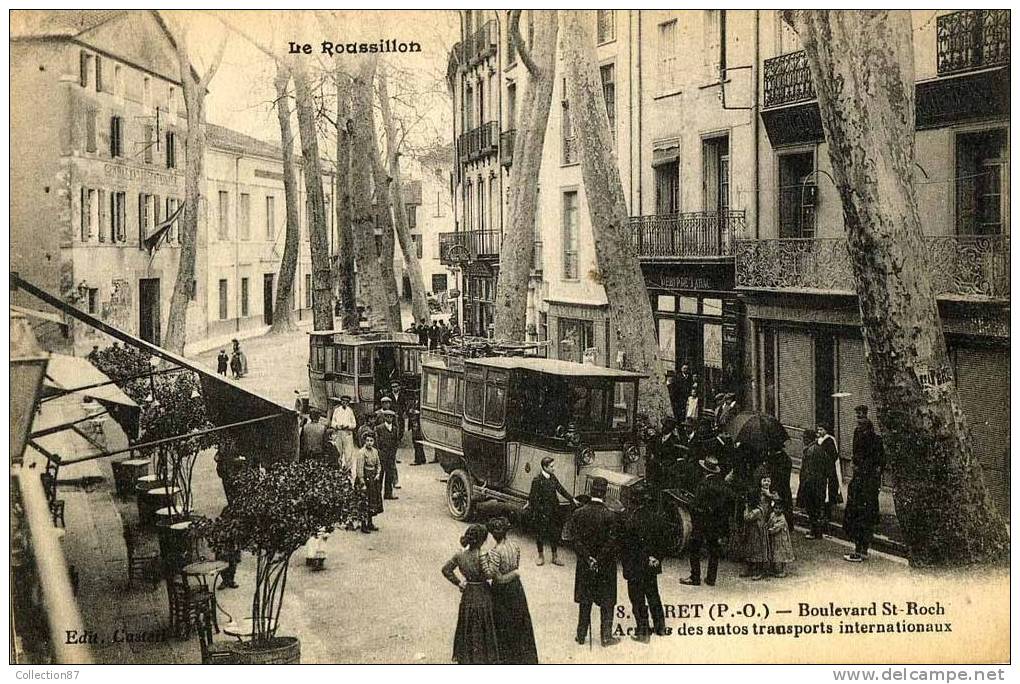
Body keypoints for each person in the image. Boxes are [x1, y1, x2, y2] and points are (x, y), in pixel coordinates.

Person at [568, 477, 620, 647]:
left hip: (585, 564)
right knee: (607, 601)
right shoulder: (610, 515)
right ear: (605, 493)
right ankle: (606, 637)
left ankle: (581, 635)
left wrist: (588, 558)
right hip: (604, 566)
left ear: (591, 491)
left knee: (585, 599)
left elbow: (574, 540)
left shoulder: (578, 513)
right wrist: (598, 559)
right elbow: (612, 542)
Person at [441, 524, 501, 664]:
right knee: (484, 625)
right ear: (481, 540)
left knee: (468, 625)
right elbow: (489, 575)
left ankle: (468, 658)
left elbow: (446, 570)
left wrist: (458, 582)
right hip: (483, 593)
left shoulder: (460, 555)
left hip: (468, 594)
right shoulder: (482, 555)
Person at [483, 517, 538, 664]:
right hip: (516, 588)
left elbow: (498, 578)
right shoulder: (515, 546)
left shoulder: (495, 552)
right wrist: (515, 574)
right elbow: (516, 567)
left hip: (502, 592)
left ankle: (506, 658)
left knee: (503, 623)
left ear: (493, 535)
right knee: (519, 621)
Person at [619, 485, 668, 642]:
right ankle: (660, 627)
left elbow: (626, 545)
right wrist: (656, 557)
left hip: (635, 565)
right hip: (651, 565)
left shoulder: (629, 518)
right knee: (653, 594)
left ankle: (643, 631)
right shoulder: (656, 516)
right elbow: (663, 540)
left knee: (637, 598)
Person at [680, 454, 731, 586]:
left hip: (702, 521)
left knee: (694, 548)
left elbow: (696, 504)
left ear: (704, 470)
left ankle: (695, 577)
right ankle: (711, 578)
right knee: (713, 550)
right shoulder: (721, 483)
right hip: (716, 523)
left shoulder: (704, 484)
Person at [843, 405, 885, 562]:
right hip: (867, 486)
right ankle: (862, 549)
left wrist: (859, 469)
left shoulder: (870, 441)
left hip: (864, 487)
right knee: (864, 518)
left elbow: (876, 463)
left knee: (859, 518)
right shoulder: (867, 438)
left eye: (862, 422)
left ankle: (859, 551)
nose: (859, 425)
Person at [528, 457, 574, 566]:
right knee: (540, 534)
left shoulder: (552, 477)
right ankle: (540, 556)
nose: (554, 468)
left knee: (554, 534)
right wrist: (538, 512)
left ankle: (554, 556)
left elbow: (560, 489)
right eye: (552, 466)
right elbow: (532, 498)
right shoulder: (537, 480)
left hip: (553, 511)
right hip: (542, 513)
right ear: (545, 467)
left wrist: (571, 499)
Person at [796, 428, 829, 539]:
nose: (803, 440)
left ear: (808, 439)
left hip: (811, 484)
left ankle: (814, 531)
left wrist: (804, 485)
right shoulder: (820, 449)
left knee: (812, 509)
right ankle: (817, 532)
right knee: (817, 508)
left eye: (805, 438)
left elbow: (807, 471)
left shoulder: (810, 451)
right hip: (820, 483)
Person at [742, 475, 774, 581]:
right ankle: (751, 567)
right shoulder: (758, 492)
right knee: (752, 548)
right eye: (764, 480)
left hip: (759, 527)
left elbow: (747, 517)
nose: (766, 483)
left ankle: (760, 570)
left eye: (768, 481)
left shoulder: (767, 496)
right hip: (754, 528)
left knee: (759, 549)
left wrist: (746, 507)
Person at [354, 431, 383, 532]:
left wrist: (378, 474)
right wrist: (362, 482)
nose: (369, 443)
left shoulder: (375, 451)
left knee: (372, 501)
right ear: (364, 441)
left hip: (373, 479)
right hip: (365, 479)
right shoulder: (361, 453)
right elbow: (359, 469)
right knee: (364, 501)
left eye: (371, 440)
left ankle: (370, 522)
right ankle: (363, 524)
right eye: (367, 441)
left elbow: (379, 464)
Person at [816, 424, 843, 519]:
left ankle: (827, 514)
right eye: (818, 429)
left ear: (826, 430)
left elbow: (833, 456)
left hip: (828, 470)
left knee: (827, 492)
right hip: (821, 470)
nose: (819, 432)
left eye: (821, 429)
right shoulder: (818, 441)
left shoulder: (829, 441)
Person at [375, 409, 401, 500]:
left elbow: (396, 442)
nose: (389, 418)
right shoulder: (379, 428)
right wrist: (379, 452)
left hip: (391, 455)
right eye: (387, 417)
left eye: (391, 417)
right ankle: (377, 494)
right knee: (380, 474)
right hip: (382, 454)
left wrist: (394, 453)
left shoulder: (394, 429)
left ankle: (388, 494)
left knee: (389, 475)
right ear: (384, 417)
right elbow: (377, 442)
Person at [329, 395, 358, 471]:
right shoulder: (337, 410)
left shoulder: (350, 411)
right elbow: (332, 422)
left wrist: (348, 426)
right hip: (339, 433)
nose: (344, 403)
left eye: (346, 402)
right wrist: (337, 426)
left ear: (348, 403)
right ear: (341, 402)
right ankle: (339, 468)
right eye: (343, 401)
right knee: (338, 451)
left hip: (347, 434)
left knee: (348, 452)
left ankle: (347, 469)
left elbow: (354, 424)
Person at [768, 498, 795, 577]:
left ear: (782, 509)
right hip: (775, 539)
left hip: (781, 539)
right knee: (774, 552)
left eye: (780, 508)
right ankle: (774, 568)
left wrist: (768, 531)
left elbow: (776, 528)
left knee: (782, 554)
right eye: (776, 508)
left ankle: (783, 570)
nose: (778, 510)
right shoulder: (772, 515)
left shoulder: (782, 519)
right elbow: (769, 522)